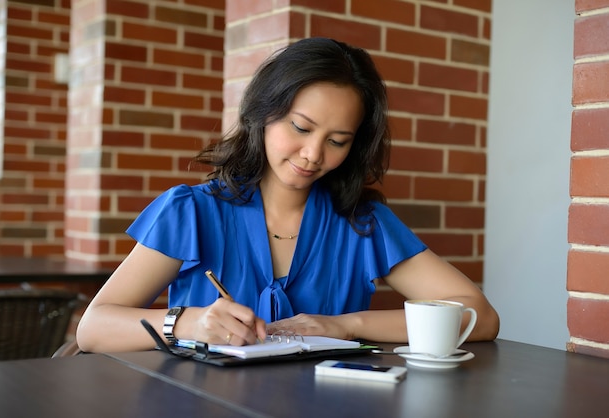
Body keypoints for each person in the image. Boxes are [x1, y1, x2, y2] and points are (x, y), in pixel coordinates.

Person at [76, 37, 499, 353]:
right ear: (263, 113)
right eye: (300, 128)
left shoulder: (361, 223)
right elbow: (93, 328)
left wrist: (345, 325)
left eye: (337, 140)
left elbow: (478, 316)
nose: (313, 155)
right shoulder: (192, 212)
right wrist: (189, 323)